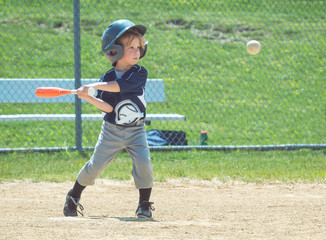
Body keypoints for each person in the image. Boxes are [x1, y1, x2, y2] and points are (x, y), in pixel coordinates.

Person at [63, 19, 154, 219]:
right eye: (131, 47)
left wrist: (94, 85)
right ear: (114, 50)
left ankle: (144, 204)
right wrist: (89, 97)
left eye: (138, 47)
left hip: (136, 130)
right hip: (111, 131)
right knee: (95, 166)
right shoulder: (107, 77)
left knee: (144, 164)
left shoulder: (139, 73)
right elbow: (108, 108)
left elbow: (119, 86)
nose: (137, 51)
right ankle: (73, 196)